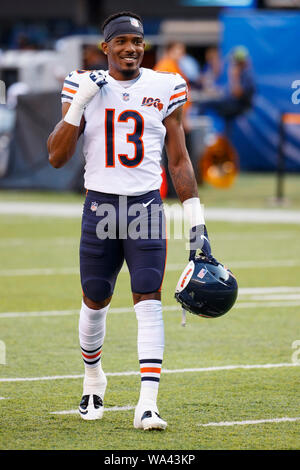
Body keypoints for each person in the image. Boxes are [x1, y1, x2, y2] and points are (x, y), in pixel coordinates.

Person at [47, 11, 215, 431]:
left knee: (148, 298)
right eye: (121, 41)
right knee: (95, 297)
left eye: (137, 42)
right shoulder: (81, 83)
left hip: (145, 207)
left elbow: (178, 160)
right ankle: (92, 379)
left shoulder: (166, 85)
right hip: (100, 206)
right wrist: (80, 103)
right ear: (106, 47)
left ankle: (148, 403)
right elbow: (55, 156)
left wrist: (197, 224)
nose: (131, 48)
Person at [198, 45, 255, 119]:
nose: (232, 65)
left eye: (234, 62)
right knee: (207, 102)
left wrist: (235, 77)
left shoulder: (247, 74)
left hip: (239, 106)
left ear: (239, 62)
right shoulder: (243, 72)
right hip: (233, 103)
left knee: (204, 103)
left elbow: (237, 93)